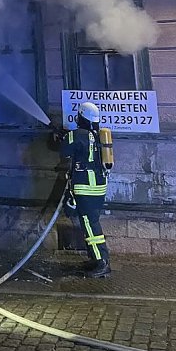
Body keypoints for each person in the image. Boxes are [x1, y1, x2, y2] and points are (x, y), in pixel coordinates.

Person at [59, 101, 111, 278]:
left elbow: (64, 151)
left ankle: (101, 262)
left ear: (80, 116)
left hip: (85, 186)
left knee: (89, 224)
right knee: (91, 222)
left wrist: (63, 137)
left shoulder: (77, 134)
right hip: (99, 186)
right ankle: (95, 258)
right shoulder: (99, 135)